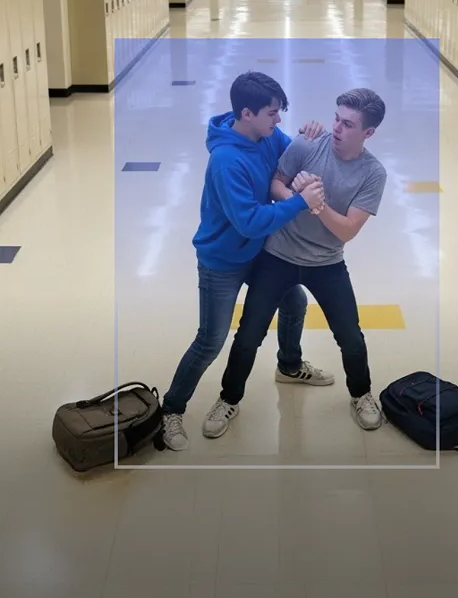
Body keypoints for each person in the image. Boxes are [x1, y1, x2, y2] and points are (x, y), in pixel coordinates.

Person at [159, 71, 335, 451]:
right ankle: (170, 410)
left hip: (258, 251)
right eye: (273, 113)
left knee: (295, 301)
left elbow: (296, 154)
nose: (278, 120)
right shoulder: (225, 160)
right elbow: (249, 219)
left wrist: (313, 134)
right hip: (222, 259)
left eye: (280, 112)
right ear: (246, 113)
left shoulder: (268, 136)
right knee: (210, 340)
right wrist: (298, 203)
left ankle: (289, 365)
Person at [205, 87, 388, 436]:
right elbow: (276, 183)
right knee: (248, 335)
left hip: (327, 262)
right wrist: (296, 197)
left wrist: (315, 204)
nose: (337, 128)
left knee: (350, 335)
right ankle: (228, 398)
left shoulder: (373, 174)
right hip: (279, 255)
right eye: (336, 118)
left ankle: (361, 394)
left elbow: (347, 230)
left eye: (348, 124)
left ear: (368, 133)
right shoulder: (306, 144)